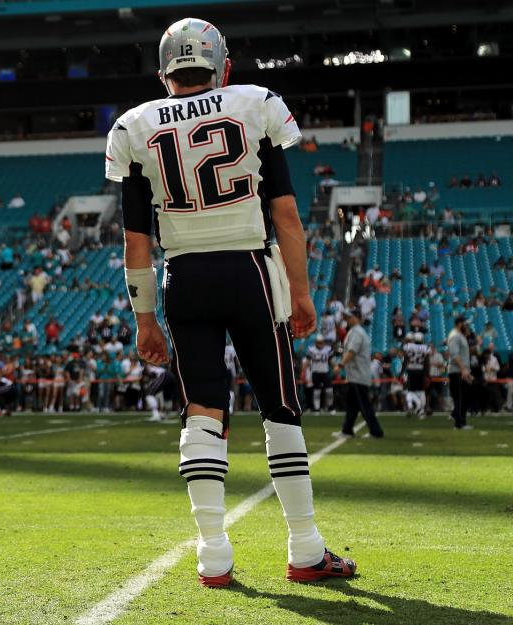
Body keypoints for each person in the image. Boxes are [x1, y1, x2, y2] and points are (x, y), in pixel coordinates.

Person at [108, 17, 355, 588]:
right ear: (224, 66)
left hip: (183, 277)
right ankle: (305, 549)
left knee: (202, 411)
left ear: (163, 72)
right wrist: (301, 290)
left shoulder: (134, 125)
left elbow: (135, 241)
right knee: (280, 406)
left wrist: (145, 320)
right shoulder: (254, 103)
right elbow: (286, 214)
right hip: (247, 267)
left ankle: (213, 554)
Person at [335, 309, 383, 438]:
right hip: (355, 376)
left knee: (364, 405)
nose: (347, 319)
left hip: (358, 376)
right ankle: (347, 430)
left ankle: (376, 431)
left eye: (349, 317)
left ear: (357, 317)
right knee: (352, 405)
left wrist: (340, 365)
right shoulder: (355, 332)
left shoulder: (357, 332)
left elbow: (351, 352)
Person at [447, 316, 474, 430]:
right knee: (459, 397)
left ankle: (462, 421)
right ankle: (458, 423)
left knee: (465, 397)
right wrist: (463, 369)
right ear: (459, 324)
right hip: (457, 371)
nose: (467, 326)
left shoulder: (461, 336)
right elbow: (455, 354)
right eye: (465, 324)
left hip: (463, 371)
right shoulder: (455, 336)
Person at [402, 332, 430, 418]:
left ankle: (411, 406)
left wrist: (402, 371)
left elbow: (405, 360)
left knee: (410, 391)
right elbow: (427, 362)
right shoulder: (426, 348)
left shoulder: (408, 346)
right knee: (421, 391)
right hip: (420, 370)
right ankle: (421, 410)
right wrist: (427, 374)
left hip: (411, 370)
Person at [306, 335, 334, 414]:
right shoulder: (311, 349)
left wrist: (335, 368)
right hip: (316, 372)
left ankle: (330, 407)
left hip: (325, 372)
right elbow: (307, 362)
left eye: (321, 342)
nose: (320, 344)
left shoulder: (328, 349)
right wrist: (304, 372)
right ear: (316, 342)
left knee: (329, 390)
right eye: (318, 342)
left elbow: (330, 361)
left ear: (324, 342)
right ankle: (317, 408)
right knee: (316, 391)